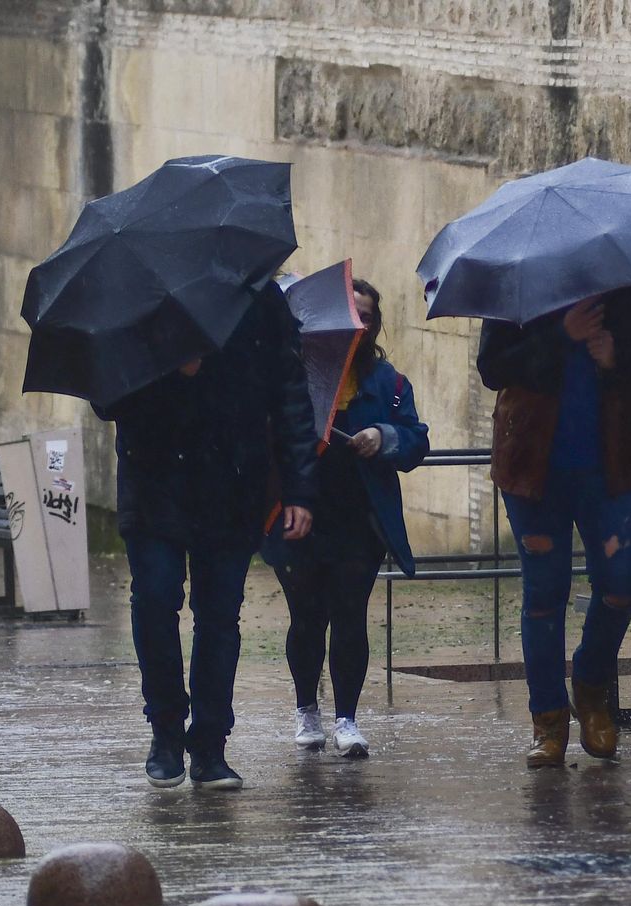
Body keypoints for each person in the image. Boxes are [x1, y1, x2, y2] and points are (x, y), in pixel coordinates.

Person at [95, 280, 320, 791]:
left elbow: (290, 396)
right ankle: (166, 730)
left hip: (231, 484)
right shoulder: (136, 297)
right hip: (154, 483)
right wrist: (169, 367)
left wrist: (300, 490)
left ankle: (211, 744)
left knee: (219, 617)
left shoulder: (258, 297)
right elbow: (106, 399)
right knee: (155, 600)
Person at [476, 282, 631, 768]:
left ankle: (590, 684)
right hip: (532, 465)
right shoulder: (518, 277)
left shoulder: (627, 278)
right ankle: (548, 719)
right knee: (545, 594)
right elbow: (492, 367)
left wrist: (616, 355)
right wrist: (560, 335)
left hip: (610, 463)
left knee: (621, 585)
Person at [265, 278, 430, 757]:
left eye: (368, 317)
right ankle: (306, 710)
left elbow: (415, 439)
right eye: (352, 314)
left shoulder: (388, 382)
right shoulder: (293, 373)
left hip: (359, 516)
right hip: (300, 511)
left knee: (350, 613)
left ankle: (347, 719)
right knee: (306, 616)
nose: (359, 324)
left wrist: (383, 437)